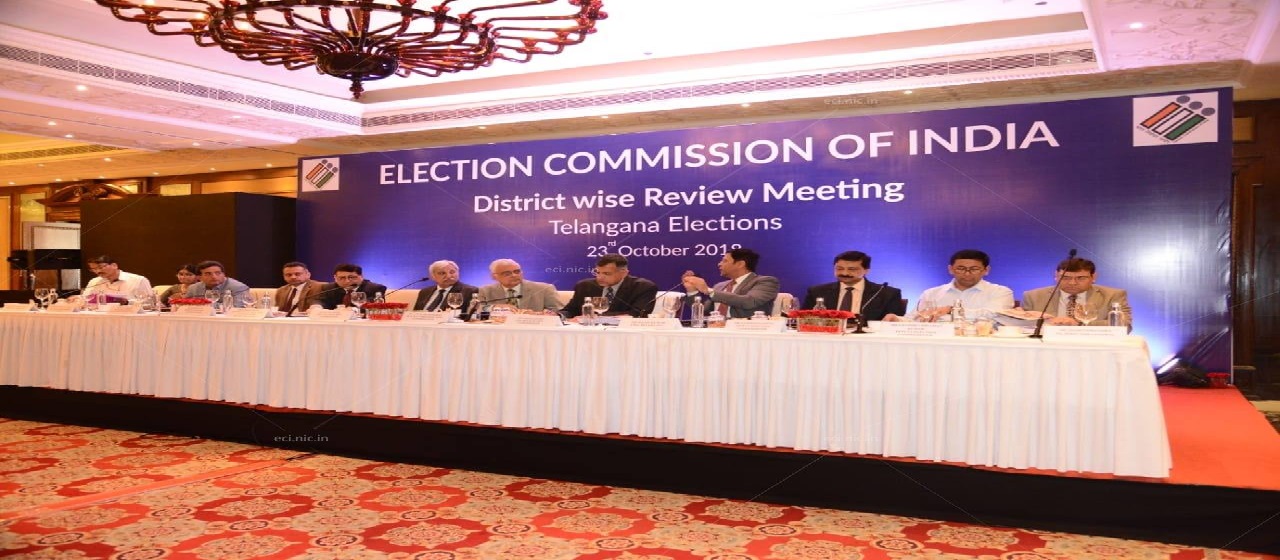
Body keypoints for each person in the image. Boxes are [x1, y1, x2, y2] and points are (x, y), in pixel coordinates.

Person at [884, 249, 1013, 321]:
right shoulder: (931, 293)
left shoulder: (1001, 292)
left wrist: (952, 310)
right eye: (961, 268)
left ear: (986, 270)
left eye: (974, 269)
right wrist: (896, 319)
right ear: (950, 269)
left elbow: (995, 314)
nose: (967, 273)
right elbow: (916, 319)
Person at [1020, 257, 1132, 329]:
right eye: (1066, 278)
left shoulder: (1113, 295)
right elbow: (1022, 326)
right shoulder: (1033, 296)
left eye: (1081, 278)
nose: (1072, 283)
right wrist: (1014, 317)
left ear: (1093, 277)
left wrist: (1079, 324)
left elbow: (1124, 325)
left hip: (1094, 347)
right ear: (1056, 276)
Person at [802, 250, 905, 321]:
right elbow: (804, 319)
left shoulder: (887, 294)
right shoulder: (817, 292)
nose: (845, 273)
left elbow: (894, 324)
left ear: (866, 270)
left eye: (852, 269)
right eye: (839, 269)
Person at [682, 248, 779, 319]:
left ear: (740, 264)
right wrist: (692, 291)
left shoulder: (766, 281)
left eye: (724, 261)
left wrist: (708, 290)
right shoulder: (719, 286)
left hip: (746, 332)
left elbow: (749, 301)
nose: (719, 264)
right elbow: (704, 311)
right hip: (715, 328)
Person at [562, 254, 659, 318]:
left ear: (624, 273)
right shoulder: (584, 286)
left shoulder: (643, 287)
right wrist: (558, 315)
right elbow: (570, 310)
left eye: (607, 273)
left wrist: (599, 317)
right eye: (597, 272)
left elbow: (638, 314)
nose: (600, 277)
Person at [477, 259, 561, 313]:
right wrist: (494, 307)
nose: (514, 275)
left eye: (517, 272)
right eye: (507, 273)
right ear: (494, 277)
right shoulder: (485, 290)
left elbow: (559, 311)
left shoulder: (544, 289)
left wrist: (544, 314)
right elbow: (476, 309)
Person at [80, 254, 153, 303]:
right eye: (94, 269)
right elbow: (85, 300)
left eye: (101, 267)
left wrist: (127, 302)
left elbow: (150, 303)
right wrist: (78, 299)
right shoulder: (94, 281)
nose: (98, 271)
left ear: (114, 265)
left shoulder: (138, 280)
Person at [412, 260, 479, 312]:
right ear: (433, 277)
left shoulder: (470, 291)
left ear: (458, 273)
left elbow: (468, 316)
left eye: (452, 272)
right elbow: (415, 313)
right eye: (442, 273)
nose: (448, 276)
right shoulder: (424, 292)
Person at [318, 264, 388, 309]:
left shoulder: (375, 288)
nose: (347, 281)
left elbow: (372, 305)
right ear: (335, 278)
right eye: (342, 278)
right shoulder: (328, 288)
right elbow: (319, 301)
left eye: (352, 277)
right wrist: (317, 306)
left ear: (361, 276)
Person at [185, 260, 252, 308]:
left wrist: (203, 305)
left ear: (224, 274)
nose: (214, 277)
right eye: (208, 274)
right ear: (199, 277)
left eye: (218, 273)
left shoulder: (238, 287)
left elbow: (237, 307)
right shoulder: (193, 288)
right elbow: (184, 306)